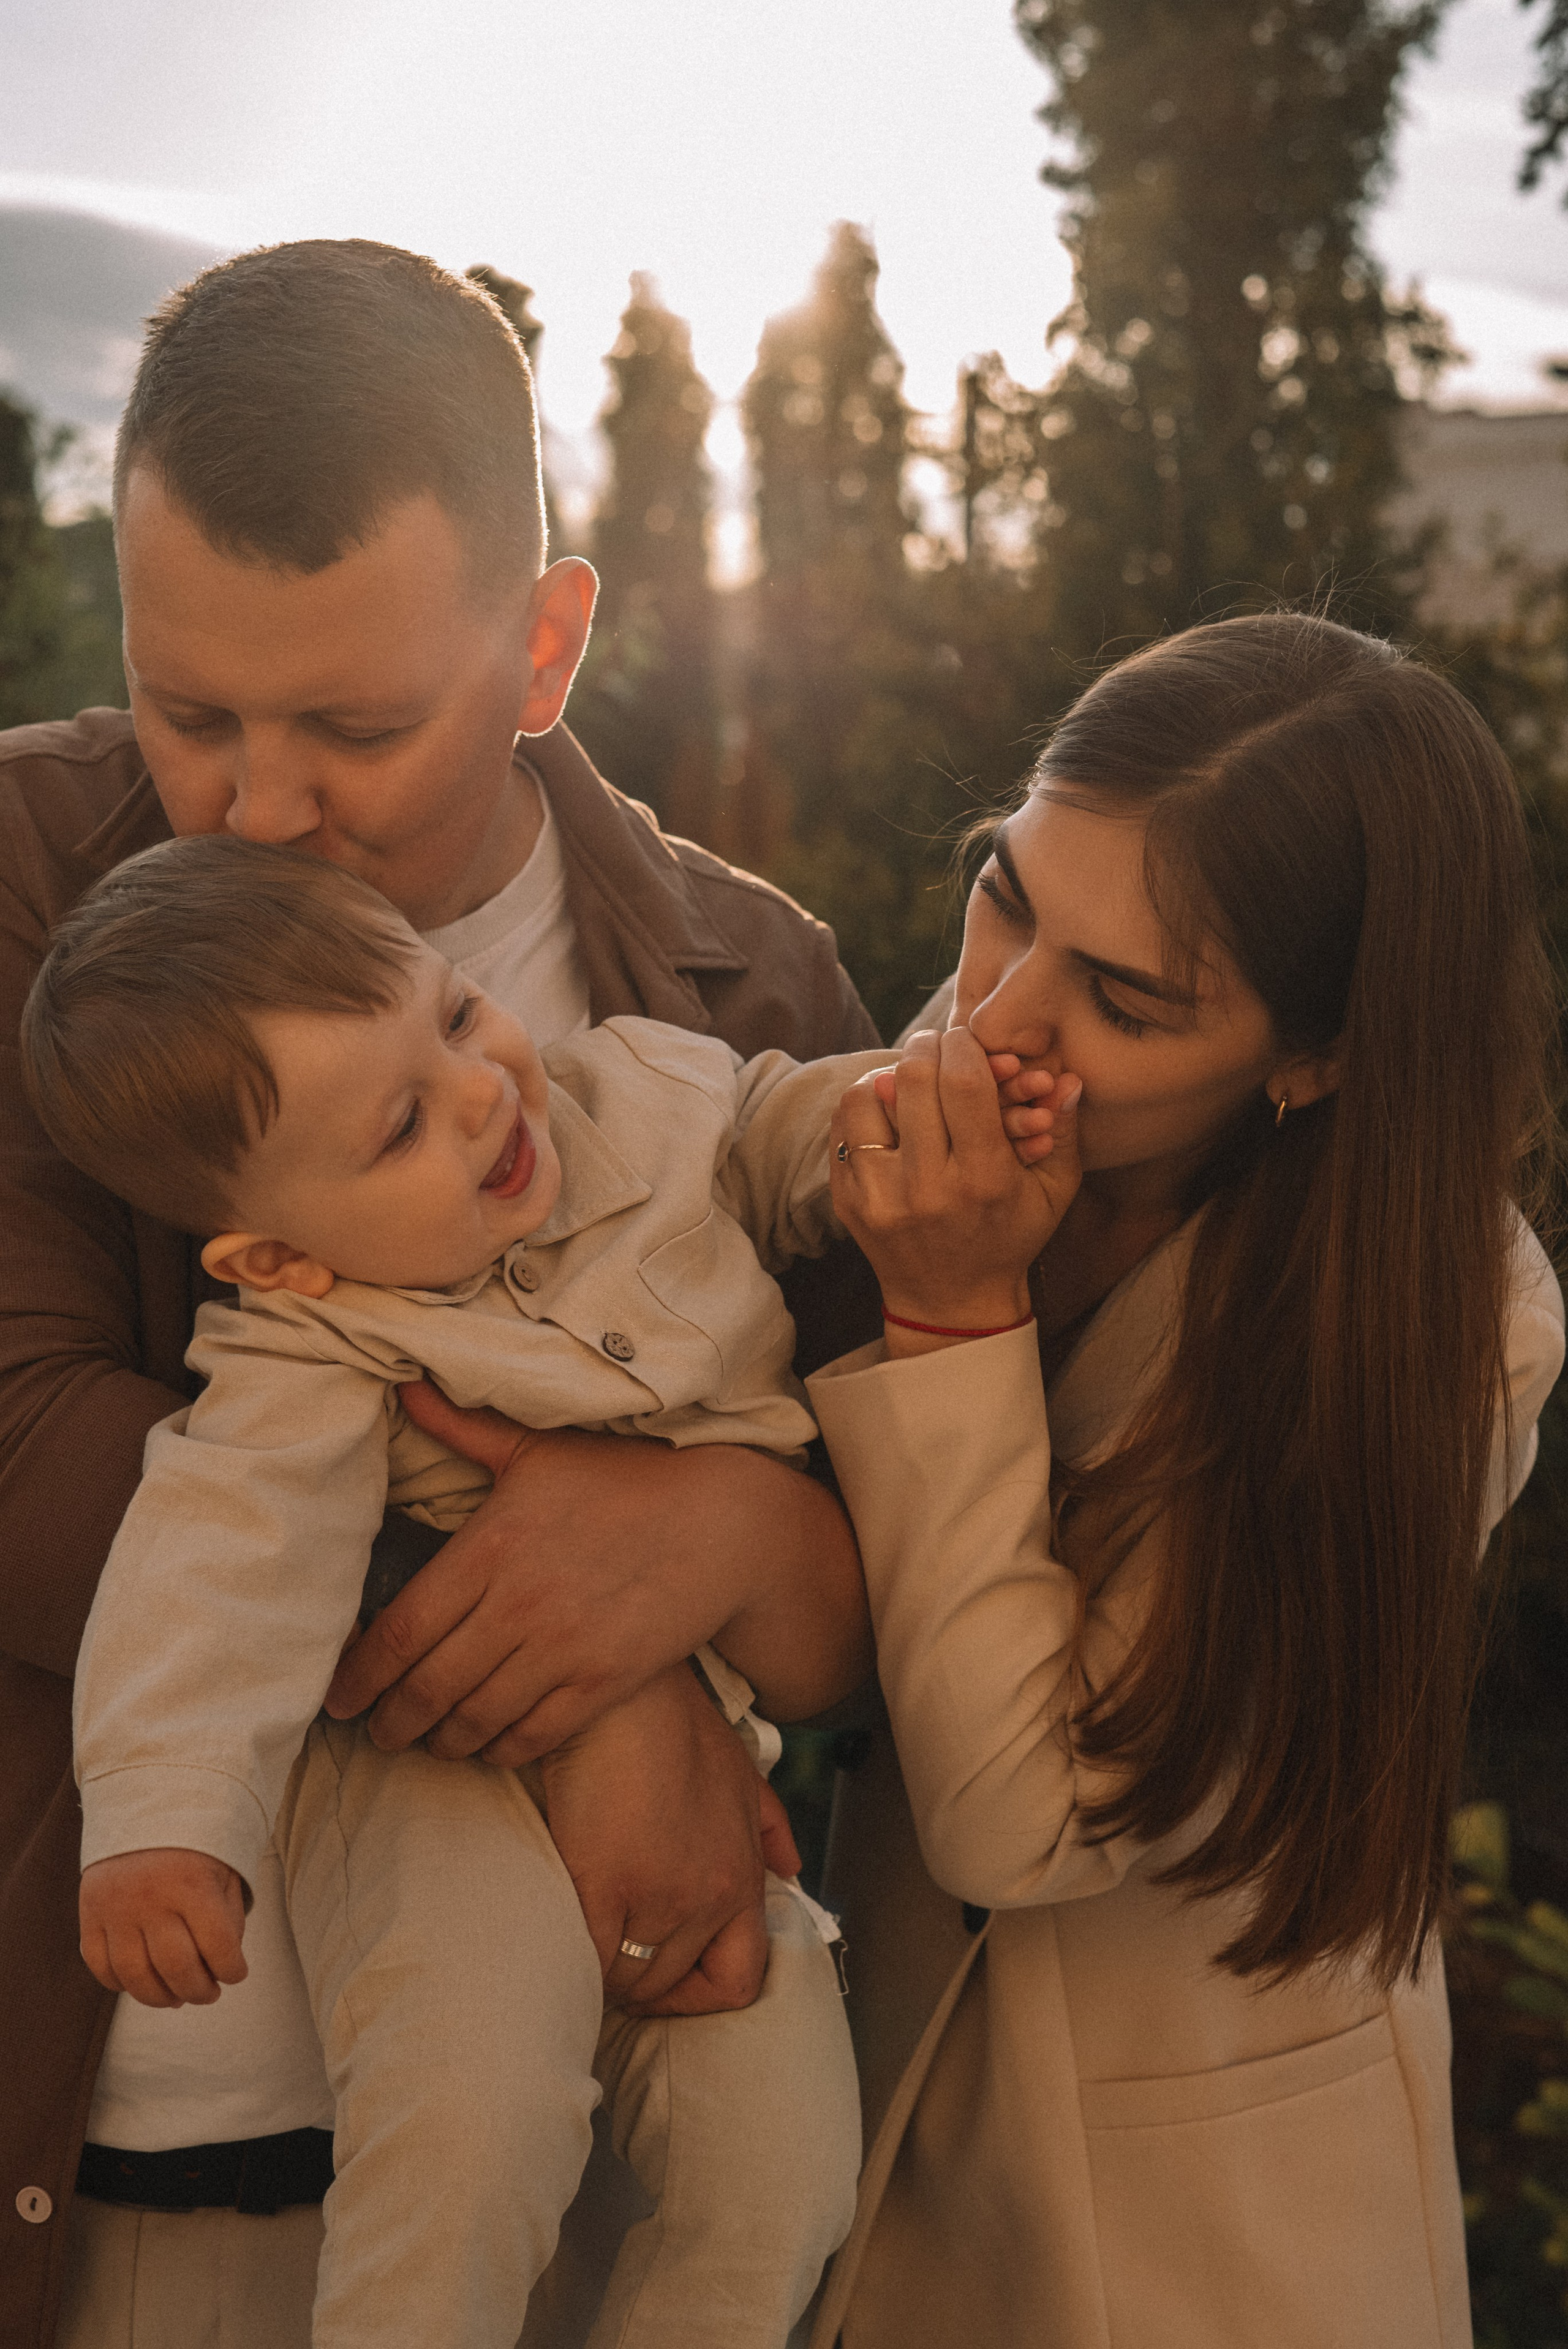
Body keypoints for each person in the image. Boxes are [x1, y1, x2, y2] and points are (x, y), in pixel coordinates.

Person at [0, 239, 878, 2349]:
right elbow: (26, 1455)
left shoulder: (752, 993)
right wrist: (599, 1672)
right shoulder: (29, 883)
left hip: (606, 2201)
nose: (254, 805)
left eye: (357, 725)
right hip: (129, 2198)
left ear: (548, 642)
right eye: (188, 707)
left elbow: (875, 1626)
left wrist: (731, 1536)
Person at [789, 613, 1566, 2348]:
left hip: (1204, 2241)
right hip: (885, 2148)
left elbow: (1024, 1814)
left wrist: (951, 1308)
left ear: (1322, 1056)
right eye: (1003, 890)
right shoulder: (1013, 1030)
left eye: (1128, 1000)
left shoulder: (1448, 1328)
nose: (995, 1017)